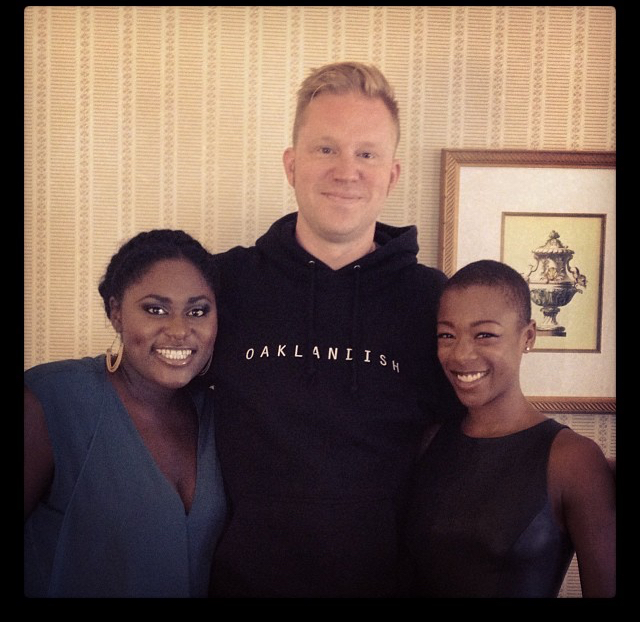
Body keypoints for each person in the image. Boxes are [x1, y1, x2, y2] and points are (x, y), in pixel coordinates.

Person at [208, 62, 461, 598]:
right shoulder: (224, 284)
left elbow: (474, 438)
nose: (347, 171)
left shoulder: (433, 300)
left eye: (366, 153)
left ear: (392, 175)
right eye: (326, 149)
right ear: (291, 164)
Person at [24, 229, 228, 598]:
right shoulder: (50, 401)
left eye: (197, 311)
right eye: (155, 309)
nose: (180, 330)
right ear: (116, 312)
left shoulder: (219, 413)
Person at [402, 259, 616, 598]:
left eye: (484, 334)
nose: (460, 354)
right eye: (447, 335)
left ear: (527, 337)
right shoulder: (429, 441)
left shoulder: (572, 460)